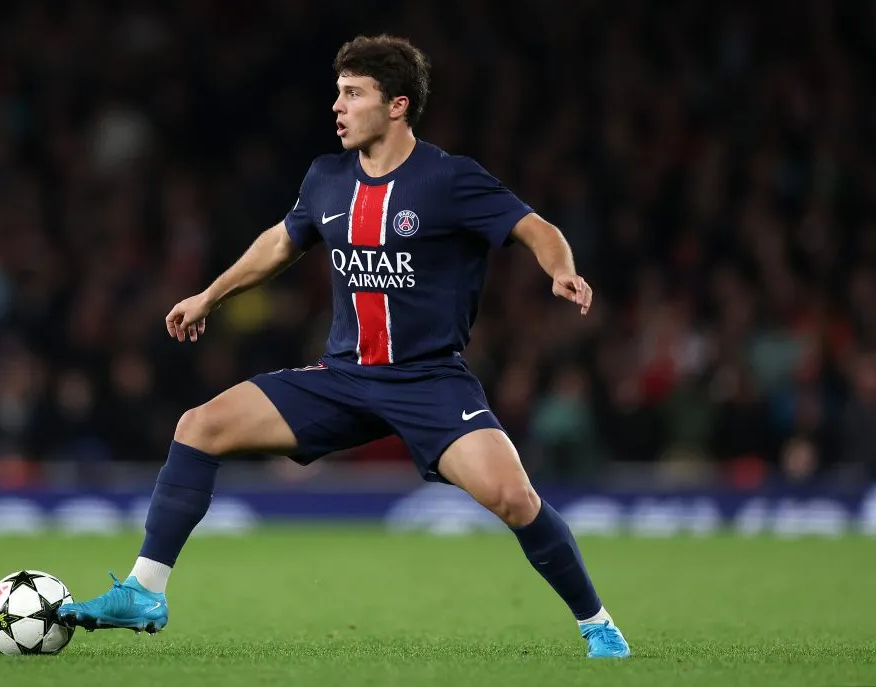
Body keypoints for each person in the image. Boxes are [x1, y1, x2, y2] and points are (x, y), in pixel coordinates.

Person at [57, 34, 631, 659]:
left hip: (429, 383)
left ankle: (598, 624)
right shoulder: (327, 179)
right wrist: (209, 295)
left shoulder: (449, 179)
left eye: (353, 94)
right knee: (199, 426)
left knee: (514, 498)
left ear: (397, 106)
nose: (337, 106)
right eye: (338, 92)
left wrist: (559, 269)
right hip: (344, 377)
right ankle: (146, 589)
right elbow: (280, 243)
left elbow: (534, 228)